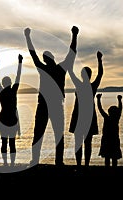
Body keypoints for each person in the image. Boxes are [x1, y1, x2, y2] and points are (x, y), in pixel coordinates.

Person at [24, 26, 79, 166]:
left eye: (45, 57)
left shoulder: (54, 69)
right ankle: (48, 161)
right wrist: (74, 35)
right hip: (47, 105)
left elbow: (71, 53)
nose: (44, 59)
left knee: (45, 135)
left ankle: (52, 161)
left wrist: (74, 35)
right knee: (42, 134)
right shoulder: (55, 69)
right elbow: (71, 53)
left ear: (50, 58)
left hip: (50, 105)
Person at [68, 51, 104, 168]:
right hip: (85, 117)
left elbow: (70, 71)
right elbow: (100, 74)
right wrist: (99, 60)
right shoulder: (91, 86)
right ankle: (85, 165)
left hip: (80, 117)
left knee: (81, 142)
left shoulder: (80, 85)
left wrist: (70, 59)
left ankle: (80, 165)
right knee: (86, 143)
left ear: (83, 75)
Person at [0, 53, 23, 166]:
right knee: (11, 143)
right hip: (10, 119)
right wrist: (20, 62)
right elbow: (18, 76)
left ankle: (7, 163)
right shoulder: (12, 90)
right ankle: (10, 164)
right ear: (9, 83)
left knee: (5, 143)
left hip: (6, 119)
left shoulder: (3, 90)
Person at [96, 93, 123, 168]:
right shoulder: (116, 118)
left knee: (107, 157)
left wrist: (98, 99)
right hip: (113, 139)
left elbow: (100, 109)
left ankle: (107, 169)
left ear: (109, 112)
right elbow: (120, 109)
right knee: (113, 157)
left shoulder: (107, 118)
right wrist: (120, 100)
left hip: (107, 139)